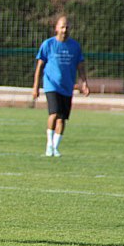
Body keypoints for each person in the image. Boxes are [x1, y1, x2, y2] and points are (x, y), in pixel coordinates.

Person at [32, 16, 90, 157]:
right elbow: (40, 66)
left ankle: (55, 148)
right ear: (56, 28)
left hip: (67, 86)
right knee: (54, 113)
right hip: (51, 85)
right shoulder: (48, 44)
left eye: (67, 27)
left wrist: (84, 83)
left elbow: (80, 66)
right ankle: (49, 145)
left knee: (62, 118)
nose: (65, 30)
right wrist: (36, 86)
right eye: (62, 26)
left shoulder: (75, 46)